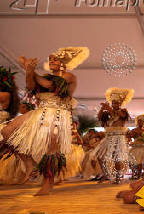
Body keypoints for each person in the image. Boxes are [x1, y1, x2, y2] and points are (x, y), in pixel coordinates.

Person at [0, 47, 88, 195]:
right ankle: (29, 163)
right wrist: (28, 72)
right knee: (7, 131)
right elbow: (31, 86)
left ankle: (47, 185)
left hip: (58, 115)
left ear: (63, 62)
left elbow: (50, 85)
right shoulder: (45, 76)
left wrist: (30, 69)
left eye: (55, 58)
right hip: (40, 112)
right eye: (50, 58)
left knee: (51, 150)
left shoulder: (69, 77)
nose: (51, 60)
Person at [94, 88, 133, 184]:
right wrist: (102, 109)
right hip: (108, 137)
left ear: (120, 104)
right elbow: (99, 117)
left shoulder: (123, 111)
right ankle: (106, 174)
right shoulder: (107, 112)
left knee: (117, 157)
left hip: (118, 137)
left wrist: (109, 108)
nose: (115, 104)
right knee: (99, 155)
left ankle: (118, 176)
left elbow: (119, 116)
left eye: (116, 103)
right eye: (113, 102)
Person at [127, 114, 144, 180]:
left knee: (141, 162)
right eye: (139, 121)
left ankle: (138, 175)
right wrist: (131, 137)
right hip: (136, 147)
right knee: (132, 162)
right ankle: (133, 174)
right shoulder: (134, 130)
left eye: (141, 121)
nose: (140, 122)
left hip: (143, 147)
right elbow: (129, 137)